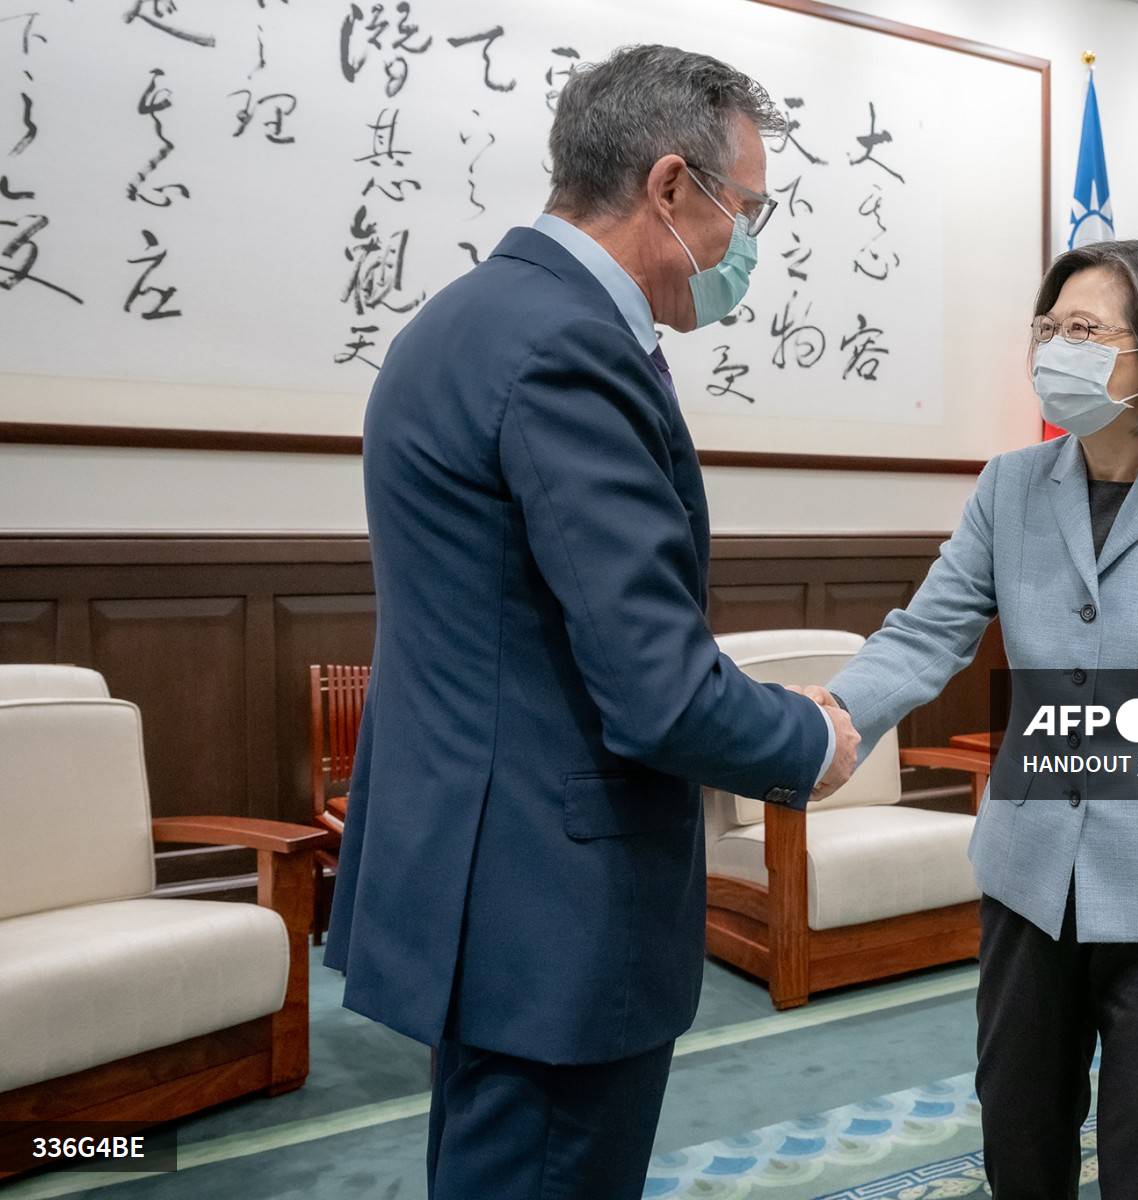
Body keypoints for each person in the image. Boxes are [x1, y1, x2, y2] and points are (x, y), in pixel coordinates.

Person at [323, 45, 860, 1200]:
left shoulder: (471, 317)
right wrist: (811, 739)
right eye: (746, 212)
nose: (746, 250)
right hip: (550, 898)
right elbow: (654, 683)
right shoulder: (569, 346)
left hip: (480, 865)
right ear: (671, 188)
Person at [820, 240, 1138, 1199]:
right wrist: (840, 715)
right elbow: (928, 631)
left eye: (1083, 330)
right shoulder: (1010, 487)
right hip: (1029, 870)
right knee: (1020, 1126)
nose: (1056, 348)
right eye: (1047, 329)